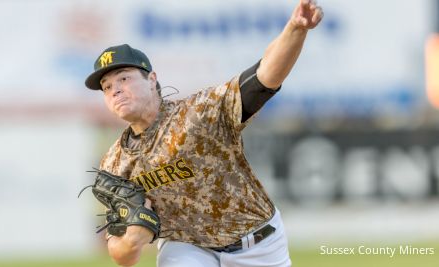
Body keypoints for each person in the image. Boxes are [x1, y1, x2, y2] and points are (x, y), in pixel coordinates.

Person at [84, 0, 323, 266]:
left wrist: (296, 28)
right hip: (187, 247)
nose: (114, 89)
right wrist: (131, 241)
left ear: (152, 80)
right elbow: (120, 254)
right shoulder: (115, 163)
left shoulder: (198, 114)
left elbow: (264, 78)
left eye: (123, 78)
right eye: (106, 87)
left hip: (257, 242)